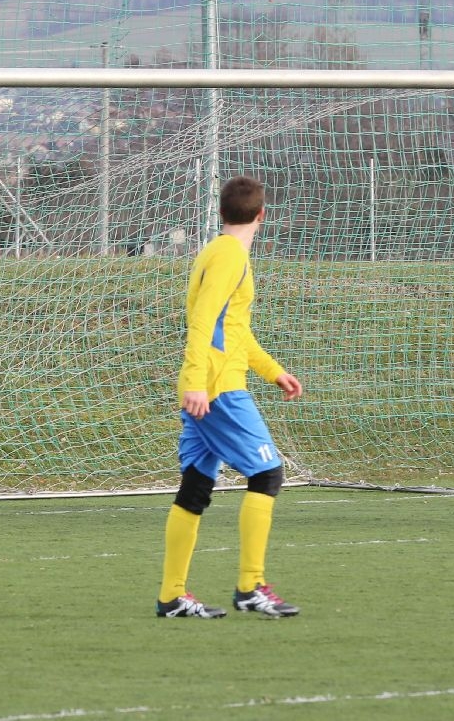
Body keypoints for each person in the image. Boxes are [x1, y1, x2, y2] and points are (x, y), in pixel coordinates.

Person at [156, 175, 304, 618]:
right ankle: (249, 587)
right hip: (218, 390)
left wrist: (273, 371)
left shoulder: (217, 251)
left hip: (210, 383)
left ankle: (171, 596)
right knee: (268, 473)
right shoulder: (230, 258)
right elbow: (203, 321)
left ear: (221, 213)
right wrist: (198, 382)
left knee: (196, 487)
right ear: (263, 215)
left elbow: (234, 331)